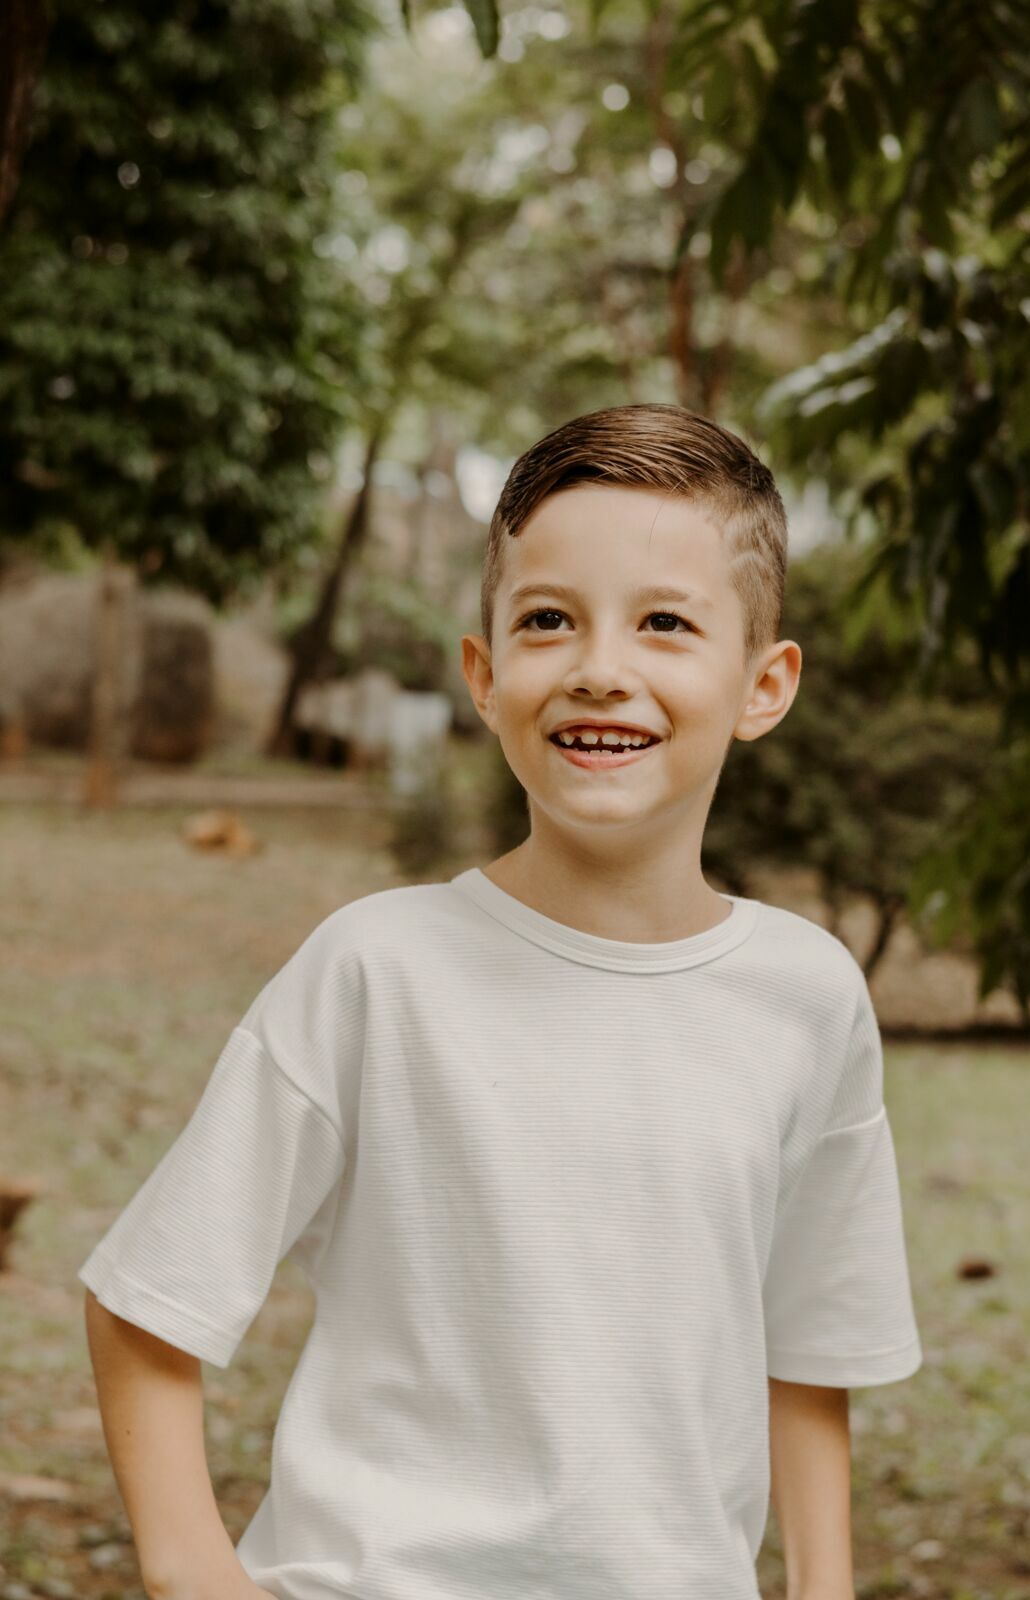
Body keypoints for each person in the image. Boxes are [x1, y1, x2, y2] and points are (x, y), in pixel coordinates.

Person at [79, 401, 923, 1600]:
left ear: (763, 682)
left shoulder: (807, 997)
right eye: (546, 620)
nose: (598, 669)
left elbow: (809, 1346)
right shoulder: (374, 968)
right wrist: (189, 1570)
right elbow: (147, 1300)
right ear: (483, 675)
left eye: (666, 623)